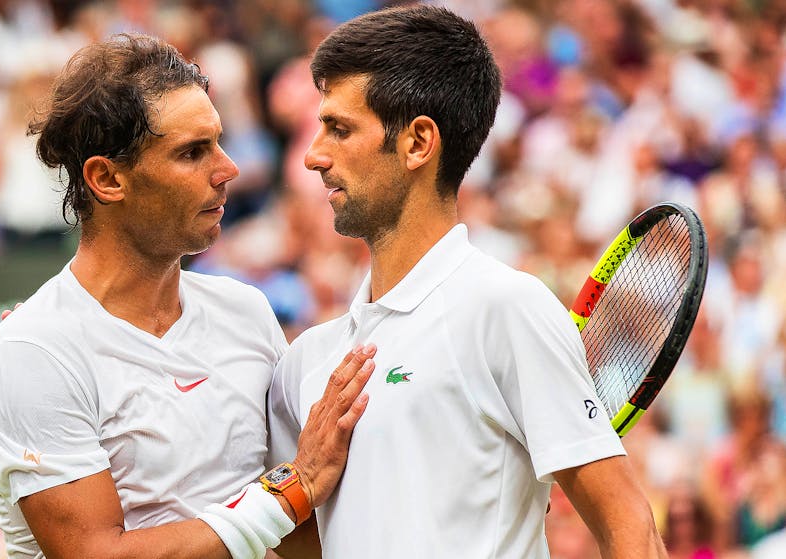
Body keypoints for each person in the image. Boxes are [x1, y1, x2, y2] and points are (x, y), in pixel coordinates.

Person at [265, 5, 668, 558]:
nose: (314, 156)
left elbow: (631, 529)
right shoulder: (305, 361)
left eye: (339, 128)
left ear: (417, 143)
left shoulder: (506, 308)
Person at [0, 34, 373, 559]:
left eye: (219, 141)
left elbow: (298, 538)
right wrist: (293, 489)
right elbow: (95, 554)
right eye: (192, 152)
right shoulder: (33, 349)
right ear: (107, 178)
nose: (228, 169)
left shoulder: (246, 313)